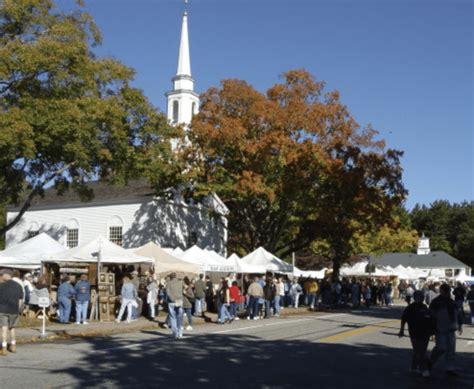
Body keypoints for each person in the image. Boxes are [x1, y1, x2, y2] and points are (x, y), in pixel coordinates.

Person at [398, 290, 435, 377]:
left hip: (425, 333)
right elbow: (403, 319)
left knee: (419, 351)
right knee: (420, 352)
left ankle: (413, 367)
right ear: (415, 298)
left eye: (422, 296)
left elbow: (430, 321)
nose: (422, 298)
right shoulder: (410, 308)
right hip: (414, 333)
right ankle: (424, 369)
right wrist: (401, 330)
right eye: (420, 296)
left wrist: (433, 333)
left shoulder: (425, 307)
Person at [429, 283, 463, 376]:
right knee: (441, 348)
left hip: (450, 329)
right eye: (446, 291)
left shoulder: (451, 301)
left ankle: (450, 368)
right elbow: (432, 316)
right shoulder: (436, 302)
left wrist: (460, 324)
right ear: (442, 291)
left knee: (451, 350)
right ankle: (431, 361)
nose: (448, 293)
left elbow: (457, 312)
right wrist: (432, 330)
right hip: (440, 329)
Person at [0, 269, 24, 356]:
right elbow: (20, 300)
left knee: (4, 328)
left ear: (7, 275)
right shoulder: (18, 286)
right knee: (12, 328)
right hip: (14, 310)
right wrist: (19, 310)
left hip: (2, 310)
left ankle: (4, 348)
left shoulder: (1, 285)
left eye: (2, 275)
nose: (1, 277)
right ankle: (13, 346)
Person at [166, 273, 184, 339]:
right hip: (179, 300)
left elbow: (168, 293)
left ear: (170, 277)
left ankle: (175, 333)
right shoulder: (180, 283)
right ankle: (180, 332)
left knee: (172, 317)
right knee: (179, 316)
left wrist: (172, 299)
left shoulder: (168, 283)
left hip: (172, 301)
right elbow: (182, 291)